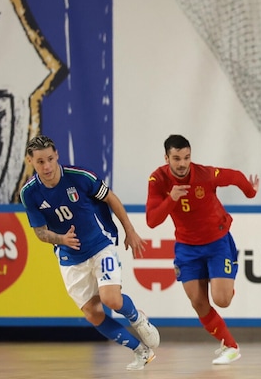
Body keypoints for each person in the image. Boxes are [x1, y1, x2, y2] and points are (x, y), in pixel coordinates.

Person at [20, 135, 160, 371]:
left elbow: (111, 198)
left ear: (57, 156)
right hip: (70, 257)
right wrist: (61, 239)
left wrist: (130, 230)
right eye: (40, 161)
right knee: (93, 314)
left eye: (50, 159)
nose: (47, 166)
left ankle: (137, 318)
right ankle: (141, 351)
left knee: (111, 299)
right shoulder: (29, 193)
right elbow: (40, 232)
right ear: (31, 161)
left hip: (99, 244)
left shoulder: (80, 177)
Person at [146, 134, 259, 365]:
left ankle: (224, 282)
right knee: (198, 302)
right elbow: (151, 220)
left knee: (222, 300)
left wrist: (251, 192)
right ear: (166, 157)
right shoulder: (157, 180)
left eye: (186, 157)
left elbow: (235, 176)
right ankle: (231, 346)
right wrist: (171, 200)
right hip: (187, 248)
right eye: (176, 158)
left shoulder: (205, 174)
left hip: (217, 242)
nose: (182, 164)